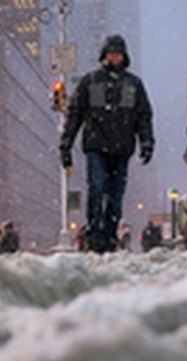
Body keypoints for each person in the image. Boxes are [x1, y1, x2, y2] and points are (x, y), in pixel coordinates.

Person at [60, 34, 154, 254]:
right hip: (96, 147)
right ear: (104, 55)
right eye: (111, 53)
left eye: (118, 54)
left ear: (124, 56)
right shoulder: (90, 81)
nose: (114, 57)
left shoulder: (133, 84)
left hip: (122, 149)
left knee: (116, 195)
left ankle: (110, 235)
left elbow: (143, 116)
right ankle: (94, 233)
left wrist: (147, 142)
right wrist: (66, 145)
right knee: (97, 187)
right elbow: (75, 115)